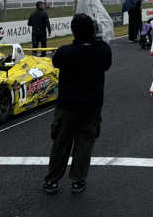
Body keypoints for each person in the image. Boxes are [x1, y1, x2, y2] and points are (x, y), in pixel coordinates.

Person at [43, 13, 112, 195]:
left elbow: (56, 61)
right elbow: (106, 62)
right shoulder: (102, 50)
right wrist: (95, 38)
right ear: (93, 30)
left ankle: (52, 180)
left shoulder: (65, 52)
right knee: (84, 144)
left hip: (67, 106)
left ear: (73, 31)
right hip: (91, 106)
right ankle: (78, 181)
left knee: (60, 143)